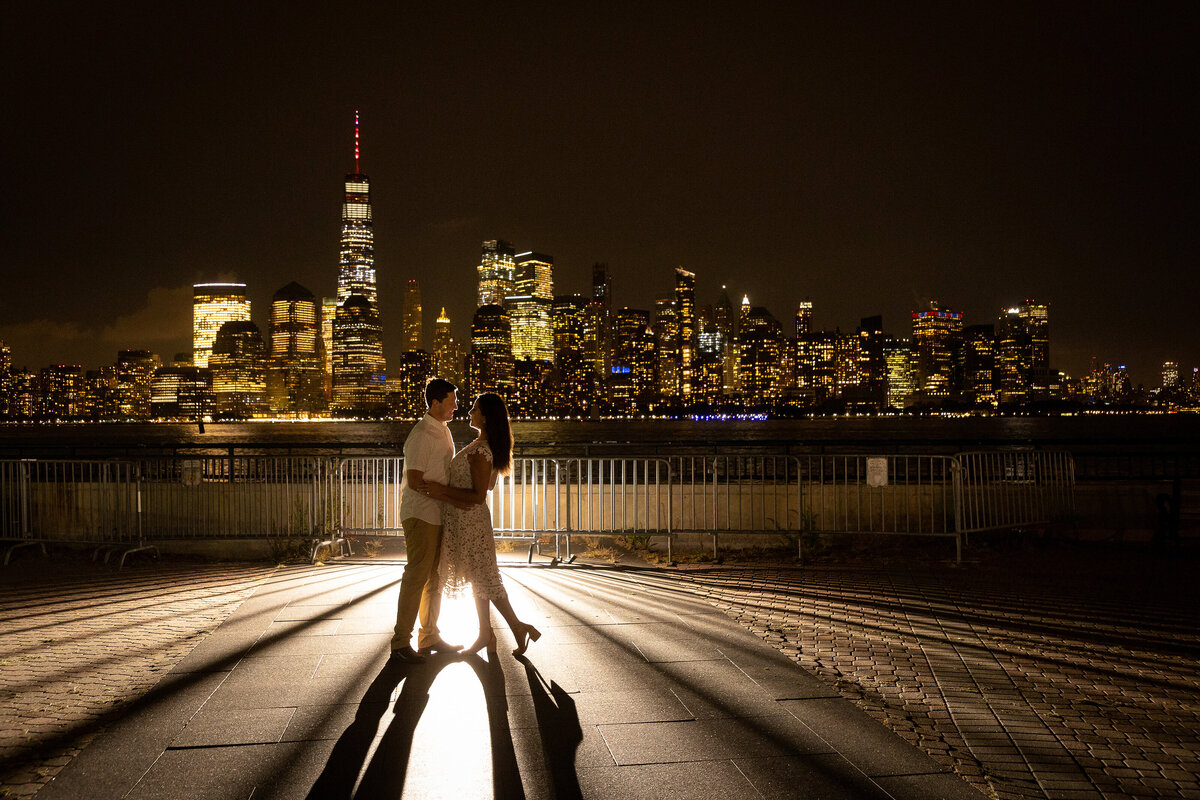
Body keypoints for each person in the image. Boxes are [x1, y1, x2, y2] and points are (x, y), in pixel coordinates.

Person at [416, 392, 542, 656]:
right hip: (464, 521)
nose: (470, 412)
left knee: (485, 578)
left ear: (485, 417)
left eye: (475, 409)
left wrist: (441, 491)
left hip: (471, 522)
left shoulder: (482, 451)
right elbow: (489, 484)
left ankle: (517, 626)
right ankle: (486, 633)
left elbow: (478, 495)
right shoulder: (482, 447)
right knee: (478, 578)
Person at [390, 378, 464, 664]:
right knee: (416, 576)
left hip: (437, 512)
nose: (456, 406)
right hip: (421, 513)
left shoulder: (442, 430)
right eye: (451, 401)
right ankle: (400, 642)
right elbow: (415, 479)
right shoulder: (422, 434)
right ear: (435, 403)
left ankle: (430, 635)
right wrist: (449, 494)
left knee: (434, 577)